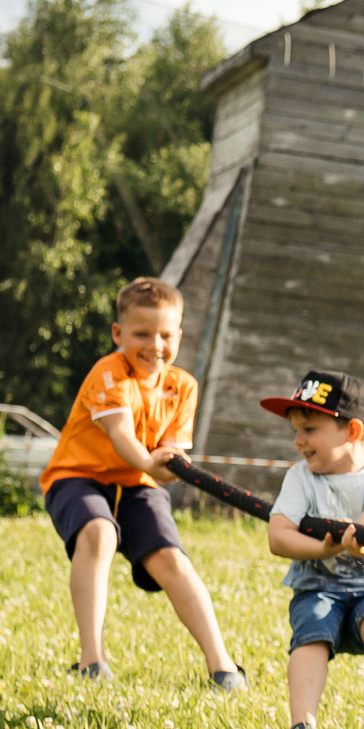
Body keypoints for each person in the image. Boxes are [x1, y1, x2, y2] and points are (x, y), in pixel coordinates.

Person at [38, 277, 244, 689]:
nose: (155, 345)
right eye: (141, 334)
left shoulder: (183, 386)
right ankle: (91, 661)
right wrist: (152, 462)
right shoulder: (110, 373)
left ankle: (222, 666)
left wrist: (167, 465)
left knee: (170, 558)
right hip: (79, 477)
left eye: (166, 335)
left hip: (139, 483)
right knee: (98, 533)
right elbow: (121, 435)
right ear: (118, 334)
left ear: (179, 336)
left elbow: (170, 454)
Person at [260, 369, 364, 729]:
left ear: (353, 432)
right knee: (310, 636)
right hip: (316, 585)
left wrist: (359, 541)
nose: (298, 440)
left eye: (309, 429)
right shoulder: (300, 478)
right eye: (295, 430)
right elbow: (278, 537)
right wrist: (325, 549)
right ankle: (303, 727)